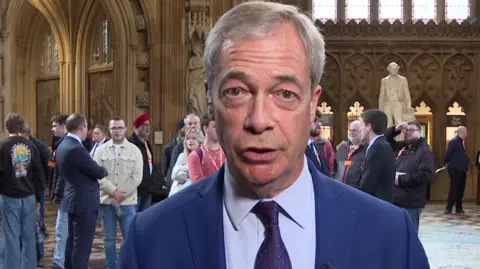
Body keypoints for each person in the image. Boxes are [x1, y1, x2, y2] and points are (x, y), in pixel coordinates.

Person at [118, 2, 429, 269]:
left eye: (285, 94)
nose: (259, 120)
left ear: (312, 105)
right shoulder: (150, 238)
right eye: (237, 91)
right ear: (210, 104)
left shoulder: (389, 236)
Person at [55, 113, 108, 269]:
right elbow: (97, 171)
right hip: (83, 204)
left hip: (71, 200)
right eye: (87, 128)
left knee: (71, 244)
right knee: (82, 248)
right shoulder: (76, 148)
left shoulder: (63, 144)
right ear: (82, 127)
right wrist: (103, 169)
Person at [94, 116, 143, 269]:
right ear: (109, 130)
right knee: (109, 239)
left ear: (125, 129)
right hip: (107, 201)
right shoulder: (100, 150)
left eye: (120, 128)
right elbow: (97, 174)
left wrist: (121, 195)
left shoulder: (135, 150)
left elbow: (137, 177)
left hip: (127, 202)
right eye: (114, 128)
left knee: (129, 238)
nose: (117, 131)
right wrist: (113, 192)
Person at [0, 113, 45, 269]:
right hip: (30, 197)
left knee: (11, 236)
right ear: (22, 126)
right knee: (29, 237)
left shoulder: (3, 146)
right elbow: (39, 175)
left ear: (7, 127)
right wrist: (39, 199)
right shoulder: (31, 146)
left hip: (9, 197)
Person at [385, 121, 435, 232]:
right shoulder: (401, 146)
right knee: (395, 233)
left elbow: (425, 175)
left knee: (409, 234)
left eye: (411, 130)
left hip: (411, 201)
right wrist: (395, 129)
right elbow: (384, 140)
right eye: (405, 130)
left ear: (419, 132)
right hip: (395, 199)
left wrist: (400, 179)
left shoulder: (424, 151)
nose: (407, 133)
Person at [358, 109, 397, 202]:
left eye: (361, 125)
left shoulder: (378, 147)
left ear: (368, 127)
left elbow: (368, 182)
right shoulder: (380, 144)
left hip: (375, 203)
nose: (360, 129)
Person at [127, 113, 154, 213]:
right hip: (135, 191)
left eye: (149, 125)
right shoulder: (129, 143)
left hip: (147, 189)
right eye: (144, 125)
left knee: (144, 220)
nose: (148, 128)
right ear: (137, 128)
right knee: (131, 220)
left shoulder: (147, 143)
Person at [444, 126, 469, 214]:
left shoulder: (462, 142)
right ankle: (449, 208)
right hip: (455, 169)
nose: (467, 133)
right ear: (461, 132)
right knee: (454, 188)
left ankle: (459, 207)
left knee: (461, 189)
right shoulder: (454, 141)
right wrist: (448, 164)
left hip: (462, 169)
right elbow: (447, 155)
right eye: (466, 131)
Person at [334, 120, 366, 186]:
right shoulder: (342, 147)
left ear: (361, 132)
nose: (351, 132)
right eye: (350, 130)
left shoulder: (367, 149)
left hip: (355, 191)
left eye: (354, 130)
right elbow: (334, 169)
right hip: (339, 188)